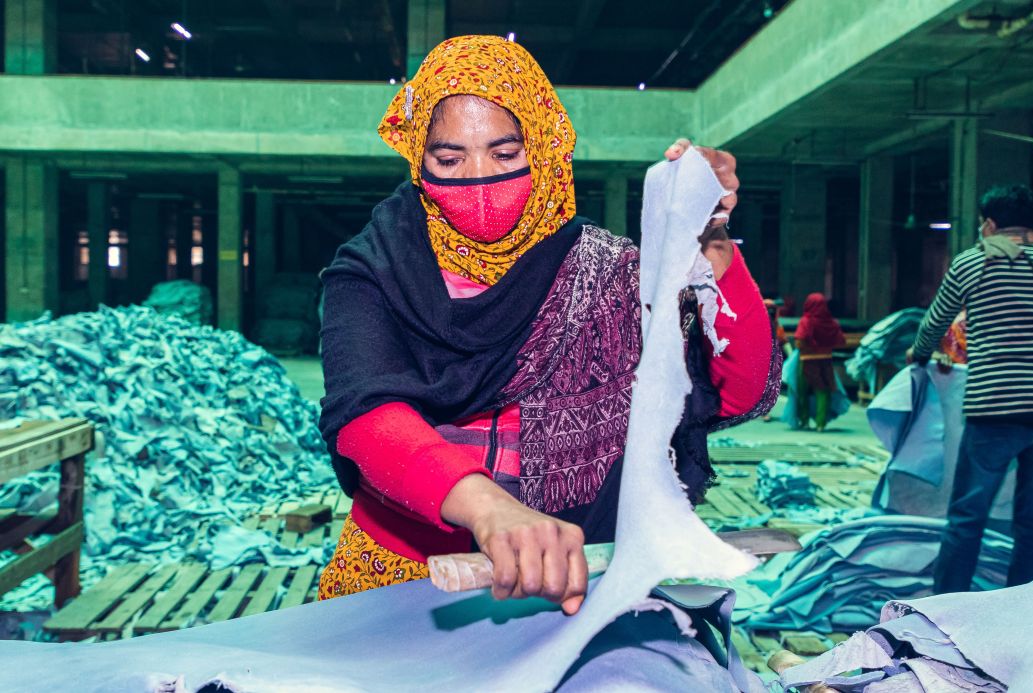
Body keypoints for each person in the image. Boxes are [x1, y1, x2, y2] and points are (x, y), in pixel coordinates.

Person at [316, 36, 779, 614]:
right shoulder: (372, 270)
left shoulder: (608, 273)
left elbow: (739, 393)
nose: (480, 178)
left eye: (506, 155)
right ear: (418, 158)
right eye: (449, 159)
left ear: (545, 145)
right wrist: (489, 509)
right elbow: (365, 415)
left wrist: (713, 251)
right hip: (406, 567)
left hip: (569, 568)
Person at [911, 184, 1033, 594]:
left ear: (989, 222)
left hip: (995, 408)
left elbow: (936, 321)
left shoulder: (974, 261)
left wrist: (918, 355)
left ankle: (947, 608)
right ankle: (1023, 610)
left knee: (968, 517)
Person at [793, 293, 846, 431]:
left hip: (807, 361)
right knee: (823, 391)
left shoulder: (805, 321)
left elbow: (799, 341)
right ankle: (820, 423)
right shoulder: (832, 323)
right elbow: (840, 342)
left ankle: (804, 420)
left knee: (802, 392)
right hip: (826, 361)